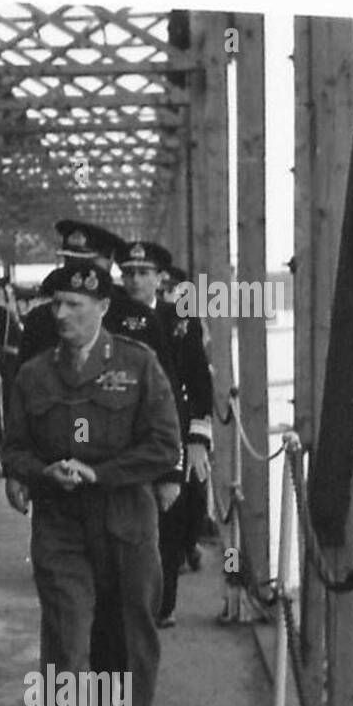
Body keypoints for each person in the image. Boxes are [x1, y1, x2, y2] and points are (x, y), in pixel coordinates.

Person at [2, 263, 180, 706]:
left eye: (75, 306)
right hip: (60, 524)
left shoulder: (138, 363)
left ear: (103, 307)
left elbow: (163, 447)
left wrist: (101, 474)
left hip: (126, 514)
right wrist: (38, 473)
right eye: (56, 305)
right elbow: (11, 451)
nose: (62, 316)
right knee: (65, 644)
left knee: (133, 626)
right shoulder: (33, 376)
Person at [117, 242, 215, 617]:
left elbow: (199, 384)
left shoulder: (181, 320)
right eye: (128, 273)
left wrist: (197, 441)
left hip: (170, 433)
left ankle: (163, 605)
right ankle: (131, 603)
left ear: (160, 278)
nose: (135, 280)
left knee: (170, 515)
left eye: (143, 273)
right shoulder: (112, 318)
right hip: (124, 434)